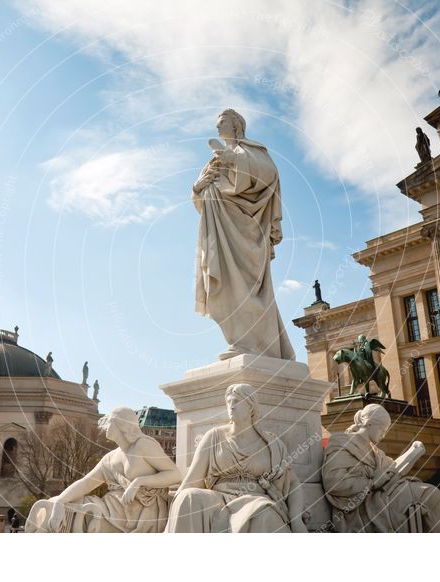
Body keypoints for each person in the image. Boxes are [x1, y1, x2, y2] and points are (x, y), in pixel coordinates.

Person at [192, 109, 295, 361]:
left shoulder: (252, 151)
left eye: (222, 122)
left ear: (236, 125)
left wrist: (231, 158)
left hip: (247, 233)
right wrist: (197, 187)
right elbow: (200, 198)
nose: (217, 127)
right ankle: (239, 341)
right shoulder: (211, 161)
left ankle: (256, 344)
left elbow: (267, 175)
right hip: (220, 231)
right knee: (224, 287)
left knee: (248, 287)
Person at [165, 383, 307, 533]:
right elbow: (192, 480)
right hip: (218, 497)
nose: (231, 407)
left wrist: (296, 520)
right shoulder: (214, 437)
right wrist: (175, 505)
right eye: (229, 402)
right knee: (189, 497)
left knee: (264, 514)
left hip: (254, 498)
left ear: (251, 406)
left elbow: (292, 484)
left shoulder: (272, 444)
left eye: (237, 402)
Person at [26, 407, 181, 533]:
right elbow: (86, 483)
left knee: (77, 516)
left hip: (140, 513)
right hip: (111, 507)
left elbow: (175, 475)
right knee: (55, 505)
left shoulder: (143, 445)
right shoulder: (110, 458)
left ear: (123, 425)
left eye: (110, 421)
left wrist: (139, 482)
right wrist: (60, 500)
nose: (106, 425)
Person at [321, 404, 440, 532]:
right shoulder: (342, 443)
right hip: (364, 504)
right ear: (369, 423)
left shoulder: (374, 451)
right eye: (382, 430)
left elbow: (393, 467)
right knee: (430, 495)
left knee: (430, 493)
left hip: (384, 494)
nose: (383, 435)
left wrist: (412, 452)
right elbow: (334, 483)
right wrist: (372, 483)